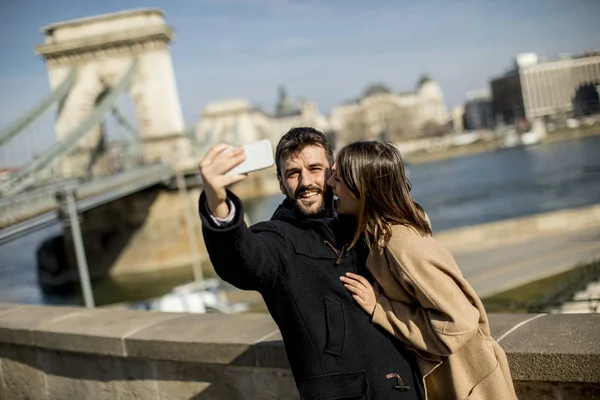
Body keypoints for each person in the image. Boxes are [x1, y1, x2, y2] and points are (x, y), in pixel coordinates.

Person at [198, 127, 425, 399]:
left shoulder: (361, 221)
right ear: (281, 183)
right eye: (293, 174)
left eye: (315, 169)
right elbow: (241, 261)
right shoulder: (277, 239)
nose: (305, 181)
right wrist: (217, 201)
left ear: (332, 173)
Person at [331, 140, 517, 400]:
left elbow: (458, 322)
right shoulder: (381, 237)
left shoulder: (401, 244)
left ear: (362, 188)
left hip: (470, 385)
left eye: (337, 178)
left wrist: (381, 308)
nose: (330, 184)